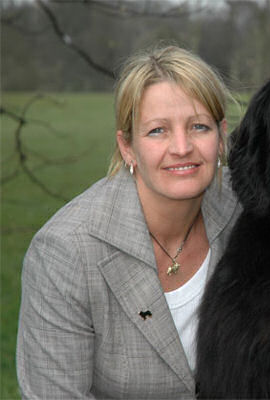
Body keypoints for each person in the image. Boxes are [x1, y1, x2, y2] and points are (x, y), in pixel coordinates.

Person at [16, 45, 241, 399]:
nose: (182, 147)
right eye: (157, 131)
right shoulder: (66, 252)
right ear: (127, 147)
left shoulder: (249, 209)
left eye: (199, 126)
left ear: (221, 135)